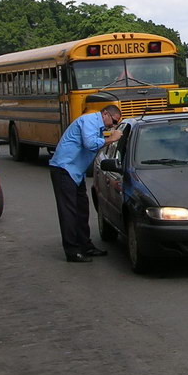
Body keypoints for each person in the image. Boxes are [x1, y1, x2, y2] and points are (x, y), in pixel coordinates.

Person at [48, 103, 122, 262]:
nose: (113, 125)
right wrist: (111, 139)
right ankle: (72, 251)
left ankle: (86, 246)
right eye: (114, 121)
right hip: (64, 169)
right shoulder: (89, 121)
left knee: (82, 209)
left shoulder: (97, 125)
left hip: (75, 172)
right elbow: (89, 144)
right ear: (105, 114)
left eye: (116, 124)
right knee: (68, 212)